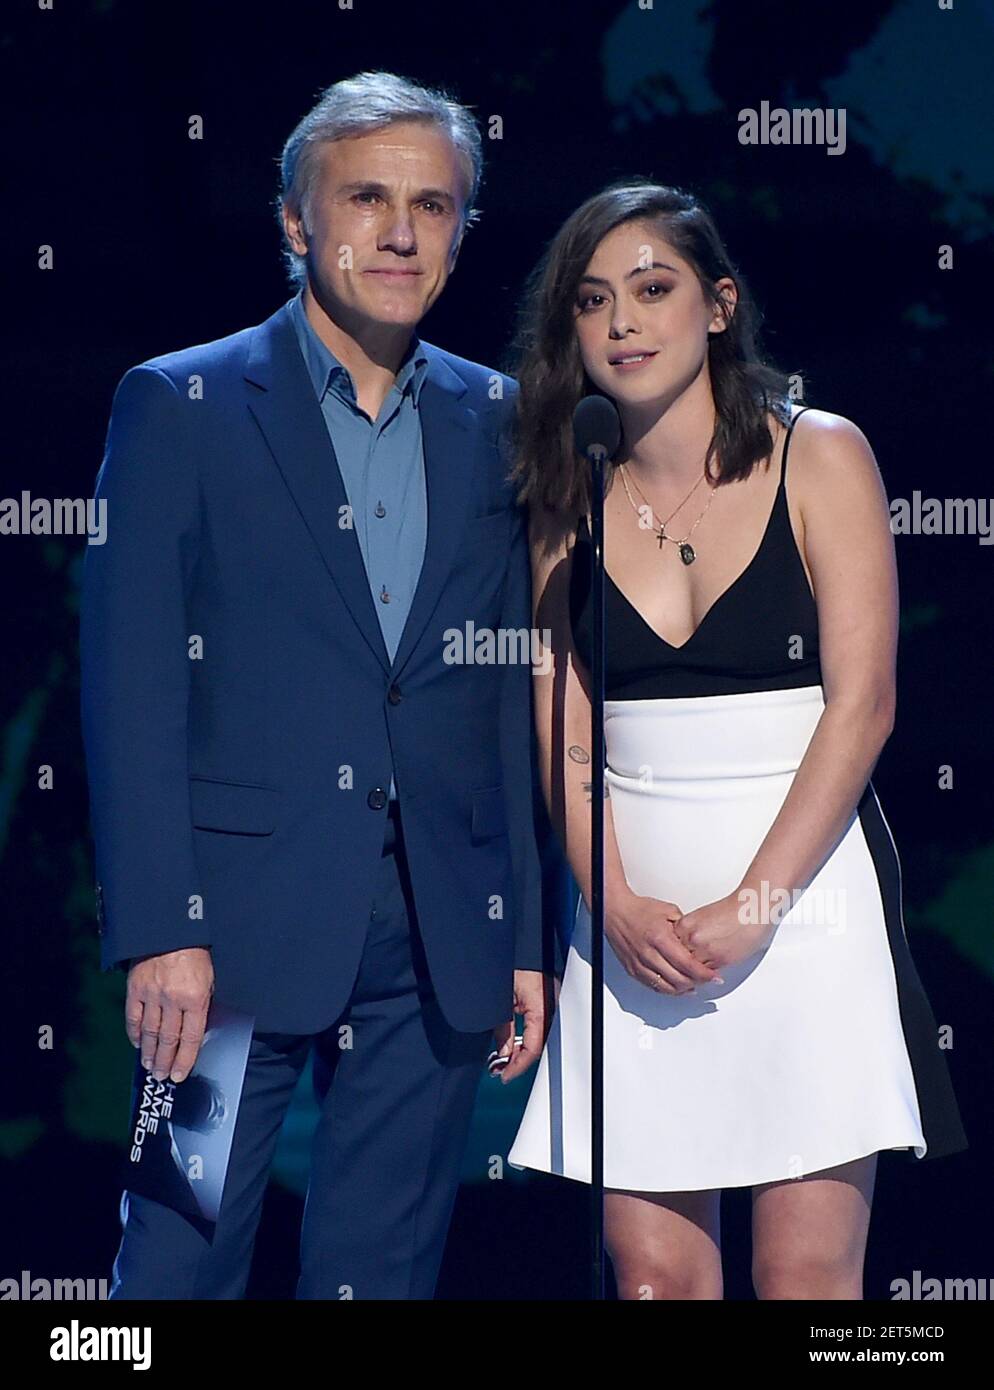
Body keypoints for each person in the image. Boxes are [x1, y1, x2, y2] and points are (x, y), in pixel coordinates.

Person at [79, 70, 560, 1301]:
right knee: (172, 1268)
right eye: (366, 198)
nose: (401, 232)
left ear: (459, 233)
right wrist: (159, 927)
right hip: (223, 938)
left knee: (381, 1277)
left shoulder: (500, 418)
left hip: (435, 934)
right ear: (296, 223)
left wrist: (517, 927)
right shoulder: (177, 401)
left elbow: (500, 694)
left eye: (434, 206)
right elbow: (131, 690)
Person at [505, 181, 968, 1300]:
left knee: (806, 1276)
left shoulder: (820, 453)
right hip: (629, 918)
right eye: (592, 301)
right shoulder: (565, 487)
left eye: (652, 290)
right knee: (653, 1276)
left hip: (801, 904)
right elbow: (560, 714)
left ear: (717, 306)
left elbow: (863, 706)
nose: (621, 323)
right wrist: (605, 896)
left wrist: (749, 905)